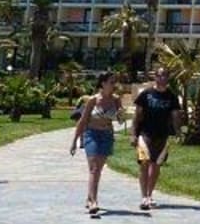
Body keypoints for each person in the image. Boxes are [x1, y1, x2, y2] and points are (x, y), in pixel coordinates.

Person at [70, 72, 123, 214]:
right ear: (103, 83)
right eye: (111, 82)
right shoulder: (93, 100)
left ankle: (89, 197)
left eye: (114, 82)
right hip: (91, 134)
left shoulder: (116, 100)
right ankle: (94, 201)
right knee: (94, 168)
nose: (114, 85)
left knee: (97, 169)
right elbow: (83, 120)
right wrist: (75, 140)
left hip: (107, 135)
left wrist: (120, 115)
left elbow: (120, 121)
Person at [130, 67, 181, 210]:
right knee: (144, 162)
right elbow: (137, 116)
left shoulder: (172, 96)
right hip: (145, 133)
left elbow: (175, 115)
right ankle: (143, 197)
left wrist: (178, 132)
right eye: (160, 75)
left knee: (156, 165)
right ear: (155, 77)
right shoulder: (146, 94)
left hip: (163, 135)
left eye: (165, 75)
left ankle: (149, 194)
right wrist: (133, 134)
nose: (163, 78)